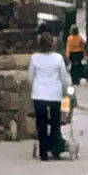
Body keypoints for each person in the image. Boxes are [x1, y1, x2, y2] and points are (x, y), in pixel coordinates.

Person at [27, 28, 70, 163]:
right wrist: (64, 92)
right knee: (55, 122)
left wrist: (34, 88)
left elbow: (30, 78)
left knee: (41, 123)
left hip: (39, 94)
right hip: (54, 95)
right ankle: (55, 146)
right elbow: (63, 78)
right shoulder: (58, 59)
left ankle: (43, 152)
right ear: (52, 44)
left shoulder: (34, 58)